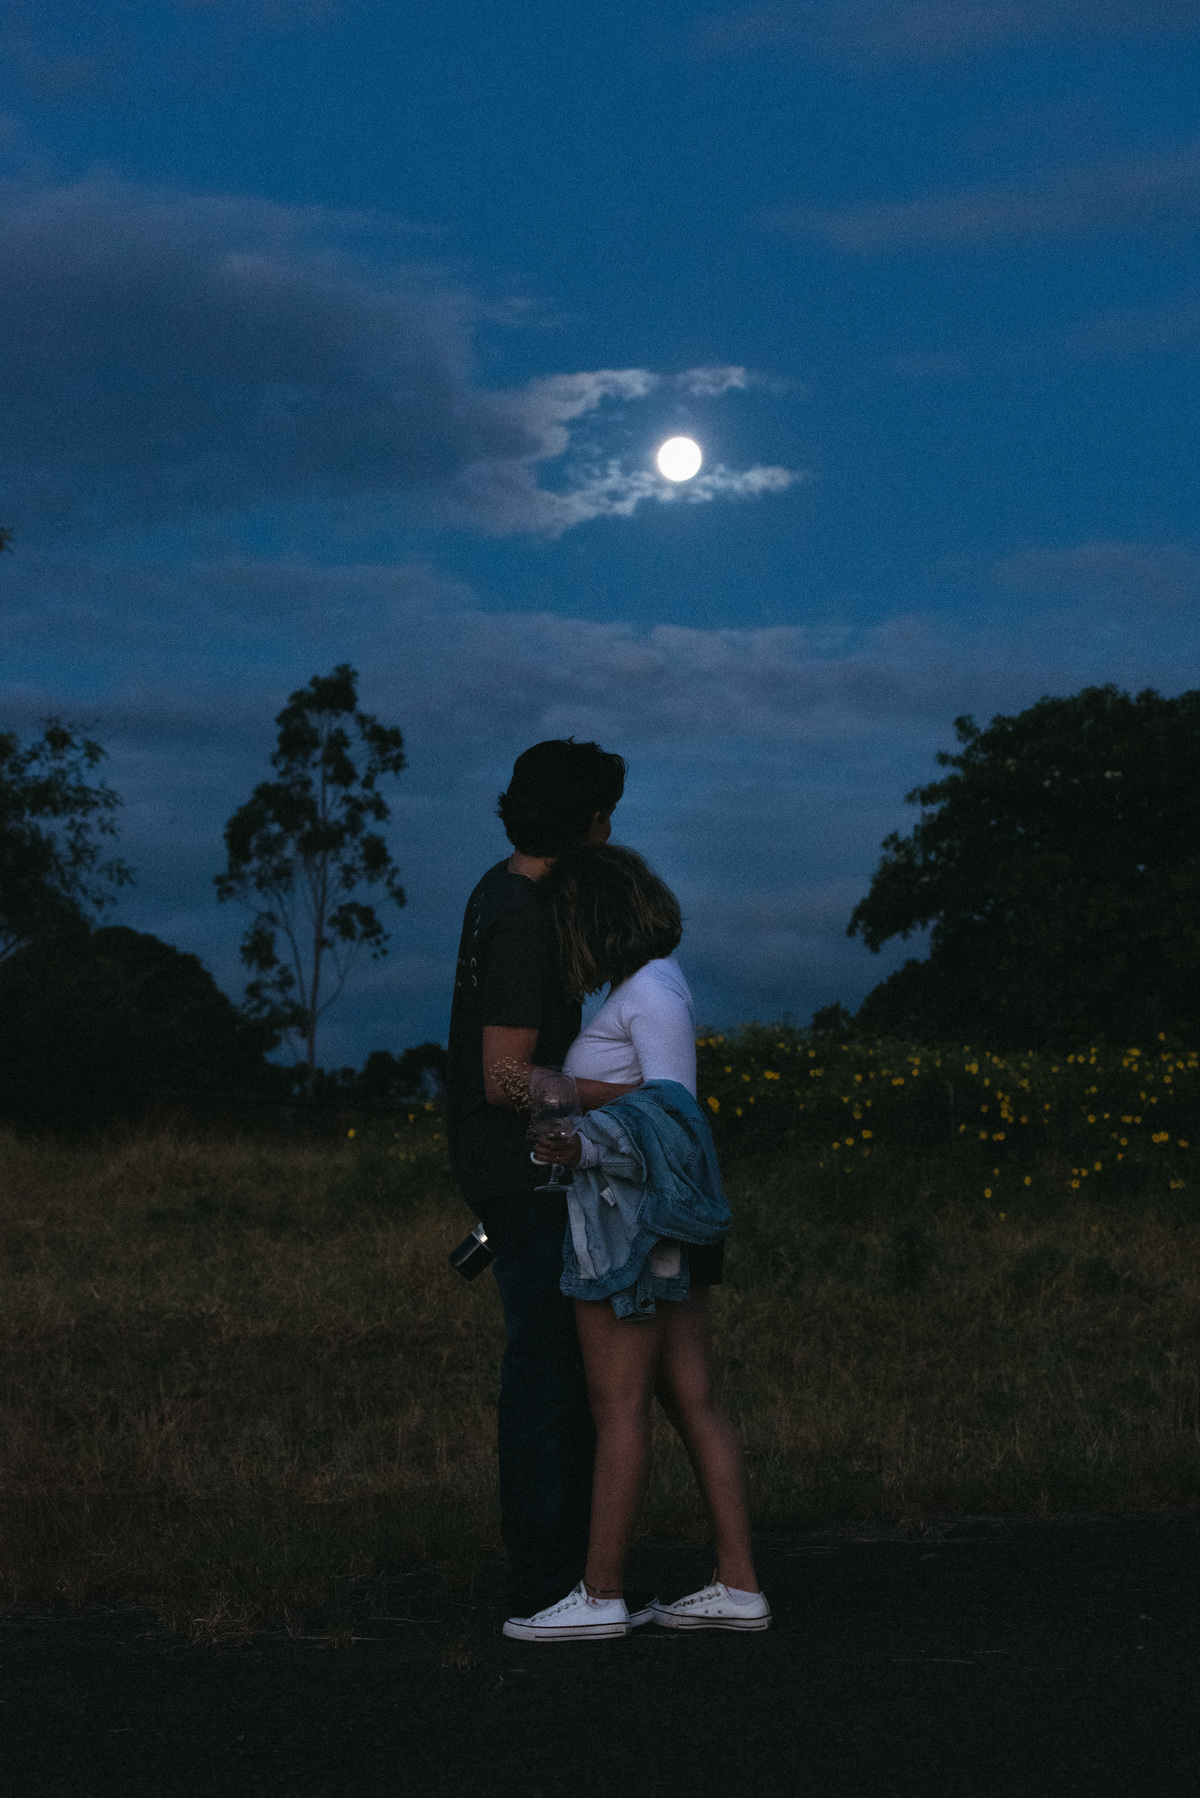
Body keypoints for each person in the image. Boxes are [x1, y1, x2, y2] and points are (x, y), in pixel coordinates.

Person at [502, 843, 770, 1642]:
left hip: (635, 1231)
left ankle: (600, 1594)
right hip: (659, 1228)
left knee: (617, 1406)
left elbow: (672, 1120)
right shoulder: (654, 986)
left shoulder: (649, 992)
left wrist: (581, 1142)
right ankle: (738, 1584)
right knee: (692, 1400)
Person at [445, 739, 629, 1618]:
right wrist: (626, 1096)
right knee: (549, 1371)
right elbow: (505, 1078)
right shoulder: (522, 916)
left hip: (513, 1169)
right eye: (605, 817)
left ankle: (565, 1571)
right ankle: (548, 1581)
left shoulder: (498, 890)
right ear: (588, 823)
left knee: (550, 1366)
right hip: (523, 1172)